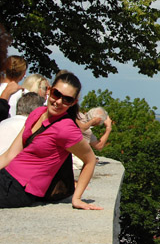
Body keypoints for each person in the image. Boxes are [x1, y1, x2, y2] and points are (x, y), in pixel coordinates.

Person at [0, 72, 102, 210]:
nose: (59, 101)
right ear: (49, 90)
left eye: (67, 99)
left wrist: (76, 198)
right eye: (56, 94)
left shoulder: (66, 128)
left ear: (73, 103)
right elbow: (10, 155)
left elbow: (90, 160)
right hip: (6, 177)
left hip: (20, 189)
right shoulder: (37, 113)